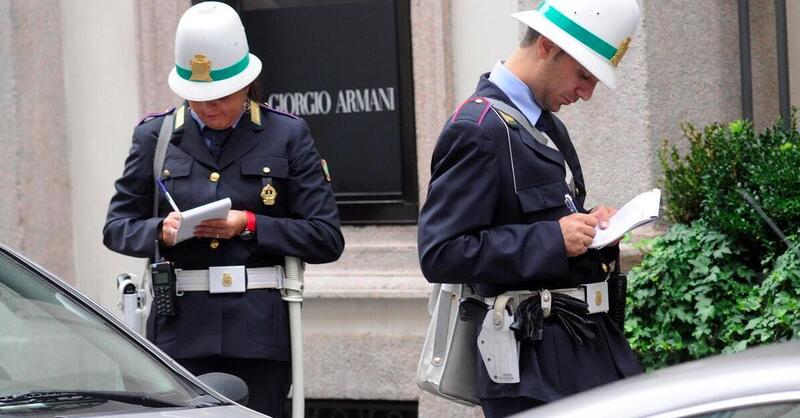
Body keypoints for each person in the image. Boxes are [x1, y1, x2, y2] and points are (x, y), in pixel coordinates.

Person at [103, 2, 344, 416]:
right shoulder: (154, 137)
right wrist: (161, 230)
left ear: (248, 84)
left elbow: (325, 237)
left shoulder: (286, 134)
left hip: (257, 334)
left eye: (220, 96)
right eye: (197, 98)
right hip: (178, 332)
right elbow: (117, 226)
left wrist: (249, 224)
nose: (209, 108)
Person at [417, 0, 642, 416]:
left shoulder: (543, 123)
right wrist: (553, 239)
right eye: (583, 75)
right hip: (534, 368)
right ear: (544, 46)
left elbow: (540, 219)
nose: (586, 93)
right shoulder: (478, 129)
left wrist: (592, 227)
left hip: (583, 351)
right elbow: (440, 252)